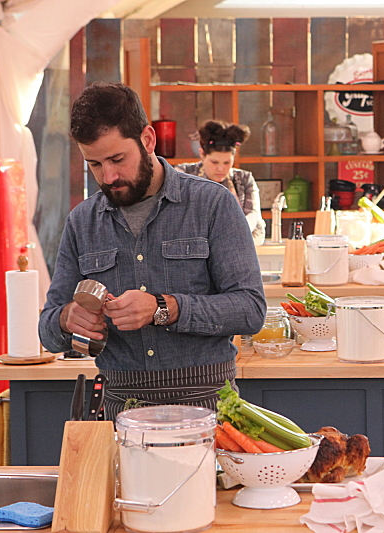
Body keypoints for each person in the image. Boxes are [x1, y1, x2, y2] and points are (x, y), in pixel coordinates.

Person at [38, 82, 266, 420]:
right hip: (120, 412)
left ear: (147, 139)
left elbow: (250, 310)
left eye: (117, 159)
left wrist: (166, 308)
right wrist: (67, 318)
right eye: (95, 164)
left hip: (210, 408)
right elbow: (47, 329)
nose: (109, 176)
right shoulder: (82, 222)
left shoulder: (212, 204)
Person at [176, 120, 266, 246]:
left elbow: (253, 215)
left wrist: (234, 234)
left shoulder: (244, 179)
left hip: (238, 246)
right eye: (214, 162)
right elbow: (176, 217)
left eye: (227, 163)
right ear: (202, 154)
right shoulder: (183, 175)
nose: (221, 168)